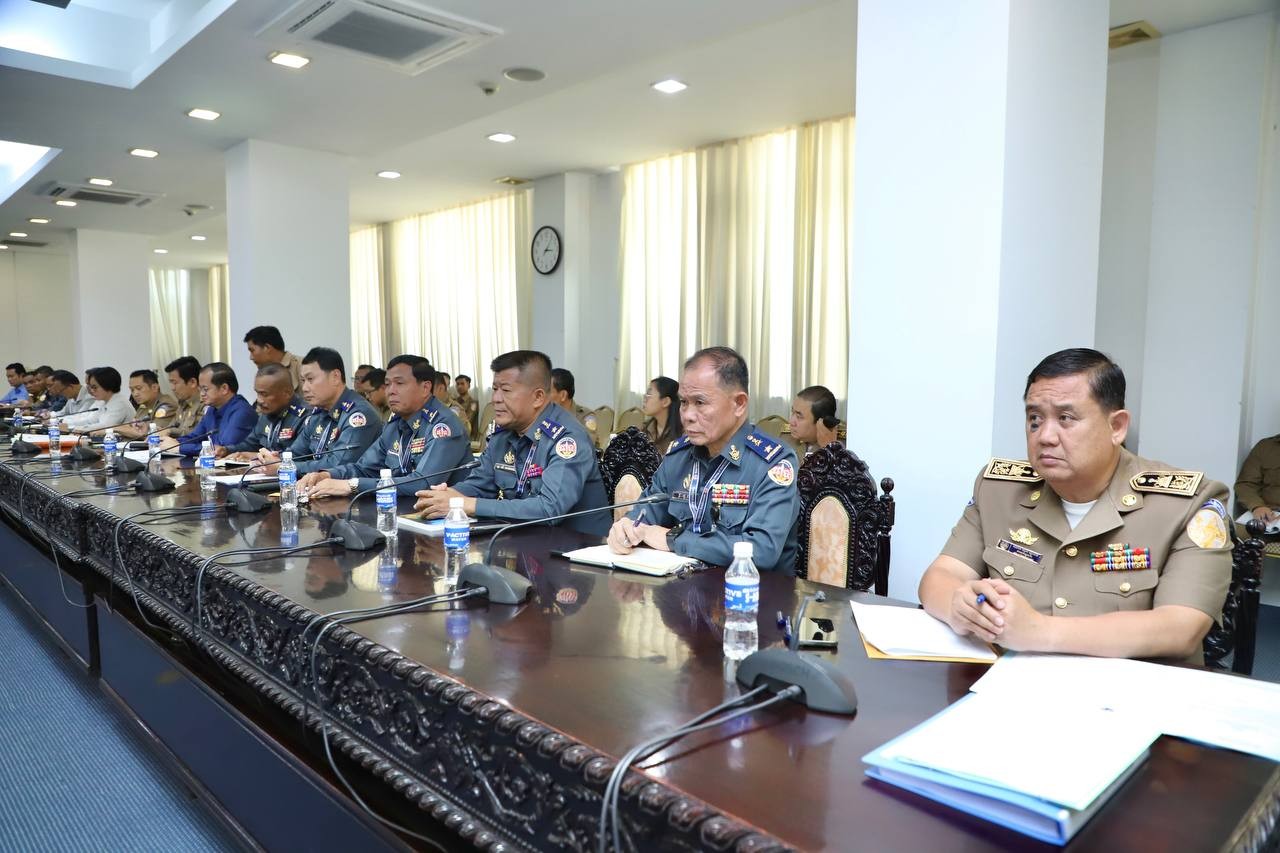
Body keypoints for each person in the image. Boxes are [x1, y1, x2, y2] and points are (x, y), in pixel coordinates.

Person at [918, 348, 1232, 664]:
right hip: (1007, 682)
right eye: (1035, 419)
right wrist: (958, 606)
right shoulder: (999, 489)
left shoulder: (1186, 504)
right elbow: (942, 575)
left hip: (1129, 689)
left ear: (1117, 427)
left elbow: (1181, 628)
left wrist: (1038, 631)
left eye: (1066, 419)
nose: (1045, 436)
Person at [607, 347, 801, 571]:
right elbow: (644, 516)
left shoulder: (772, 463)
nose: (687, 416)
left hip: (748, 588)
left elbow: (761, 550)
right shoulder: (679, 455)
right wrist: (626, 528)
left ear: (739, 404)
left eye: (700, 402)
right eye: (684, 402)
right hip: (680, 586)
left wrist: (674, 540)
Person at [414, 350, 609, 535]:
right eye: (495, 389)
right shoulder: (504, 433)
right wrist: (446, 495)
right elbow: (480, 484)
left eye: (506, 390)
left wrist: (467, 504)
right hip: (522, 540)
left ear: (538, 397)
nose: (495, 399)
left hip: (576, 547)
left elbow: (549, 509)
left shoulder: (566, 439)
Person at [299, 355, 469, 499]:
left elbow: (422, 483)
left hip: (447, 519)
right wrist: (327, 474)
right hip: (400, 509)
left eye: (399, 383)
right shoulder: (396, 423)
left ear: (425, 388)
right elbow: (365, 468)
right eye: (387, 384)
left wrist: (352, 485)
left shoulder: (443, 426)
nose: (390, 391)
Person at [263, 347, 381, 476]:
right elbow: (297, 453)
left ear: (335, 377)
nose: (305, 388)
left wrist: (284, 467)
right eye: (303, 381)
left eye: (310, 379)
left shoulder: (358, 416)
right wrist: (275, 459)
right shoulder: (318, 413)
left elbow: (338, 465)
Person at [215, 363, 309, 459]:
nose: (259, 400)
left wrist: (257, 456)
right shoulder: (267, 412)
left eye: (264, 394)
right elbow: (251, 444)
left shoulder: (304, 416)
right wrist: (226, 450)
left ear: (287, 393)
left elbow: (299, 456)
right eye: (257, 393)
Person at [163, 362, 256, 456]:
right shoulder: (212, 409)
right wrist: (171, 443)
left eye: (205, 389)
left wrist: (179, 448)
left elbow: (222, 448)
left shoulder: (242, 412)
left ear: (224, 388)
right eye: (200, 389)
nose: (201, 394)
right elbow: (194, 437)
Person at [61, 367, 136, 433]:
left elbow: (105, 426)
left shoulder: (119, 403)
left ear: (107, 385)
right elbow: (91, 420)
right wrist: (66, 424)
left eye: (95, 387)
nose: (91, 391)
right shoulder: (103, 401)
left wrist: (71, 428)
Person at [1234, 434, 1280, 531]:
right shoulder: (1265, 446)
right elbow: (1245, 484)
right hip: (1268, 514)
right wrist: (1257, 506)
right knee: (1231, 533)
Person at [115, 370, 178, 438]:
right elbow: (132, 426)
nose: (135, 394)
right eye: (132, 390)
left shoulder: (166, 405)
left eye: (139, 388)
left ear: (154, 387)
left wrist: (115, 429)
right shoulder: (143, 405)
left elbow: (153, 433)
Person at [243, 326, 304, 394]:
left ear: (266, 347)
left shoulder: (302, 366)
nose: (251, 357)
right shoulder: (264, 373)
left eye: (252, 350)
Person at [550, 367, 599, 447]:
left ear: (563, 395)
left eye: (548, 391)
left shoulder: (585, 416)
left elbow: (585, 445)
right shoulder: (546, 414)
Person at [789, 385, 841, 455]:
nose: (791, 422)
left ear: (822, 422)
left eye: (799, 417)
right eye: (792, 412)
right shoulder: (783, 439)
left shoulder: (846, 446)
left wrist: (829, 448)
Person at [163, 356, 204, 436]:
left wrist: (170, 431)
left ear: (192, 382)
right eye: (170, 383)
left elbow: (200, 434)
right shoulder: (183, 404)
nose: (172, 388)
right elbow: (171, 427)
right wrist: (156, 430)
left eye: (175, 383)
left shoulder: (205, 404)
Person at [641, 376, 682, 451]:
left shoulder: (684, 434)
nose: (644, 398)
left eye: (649, 394)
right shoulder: (646, 429)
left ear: (665, 402)